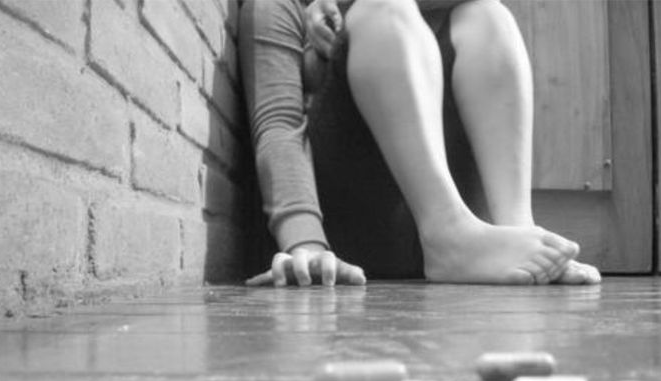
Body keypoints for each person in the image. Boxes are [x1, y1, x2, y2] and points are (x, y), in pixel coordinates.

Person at [239, 0, 601, 287]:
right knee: (385, 8)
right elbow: (279, 126)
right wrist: (306, 245)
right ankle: (447, 234)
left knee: (486, 16)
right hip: (345, 238)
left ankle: (517, 232)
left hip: (459, 242)